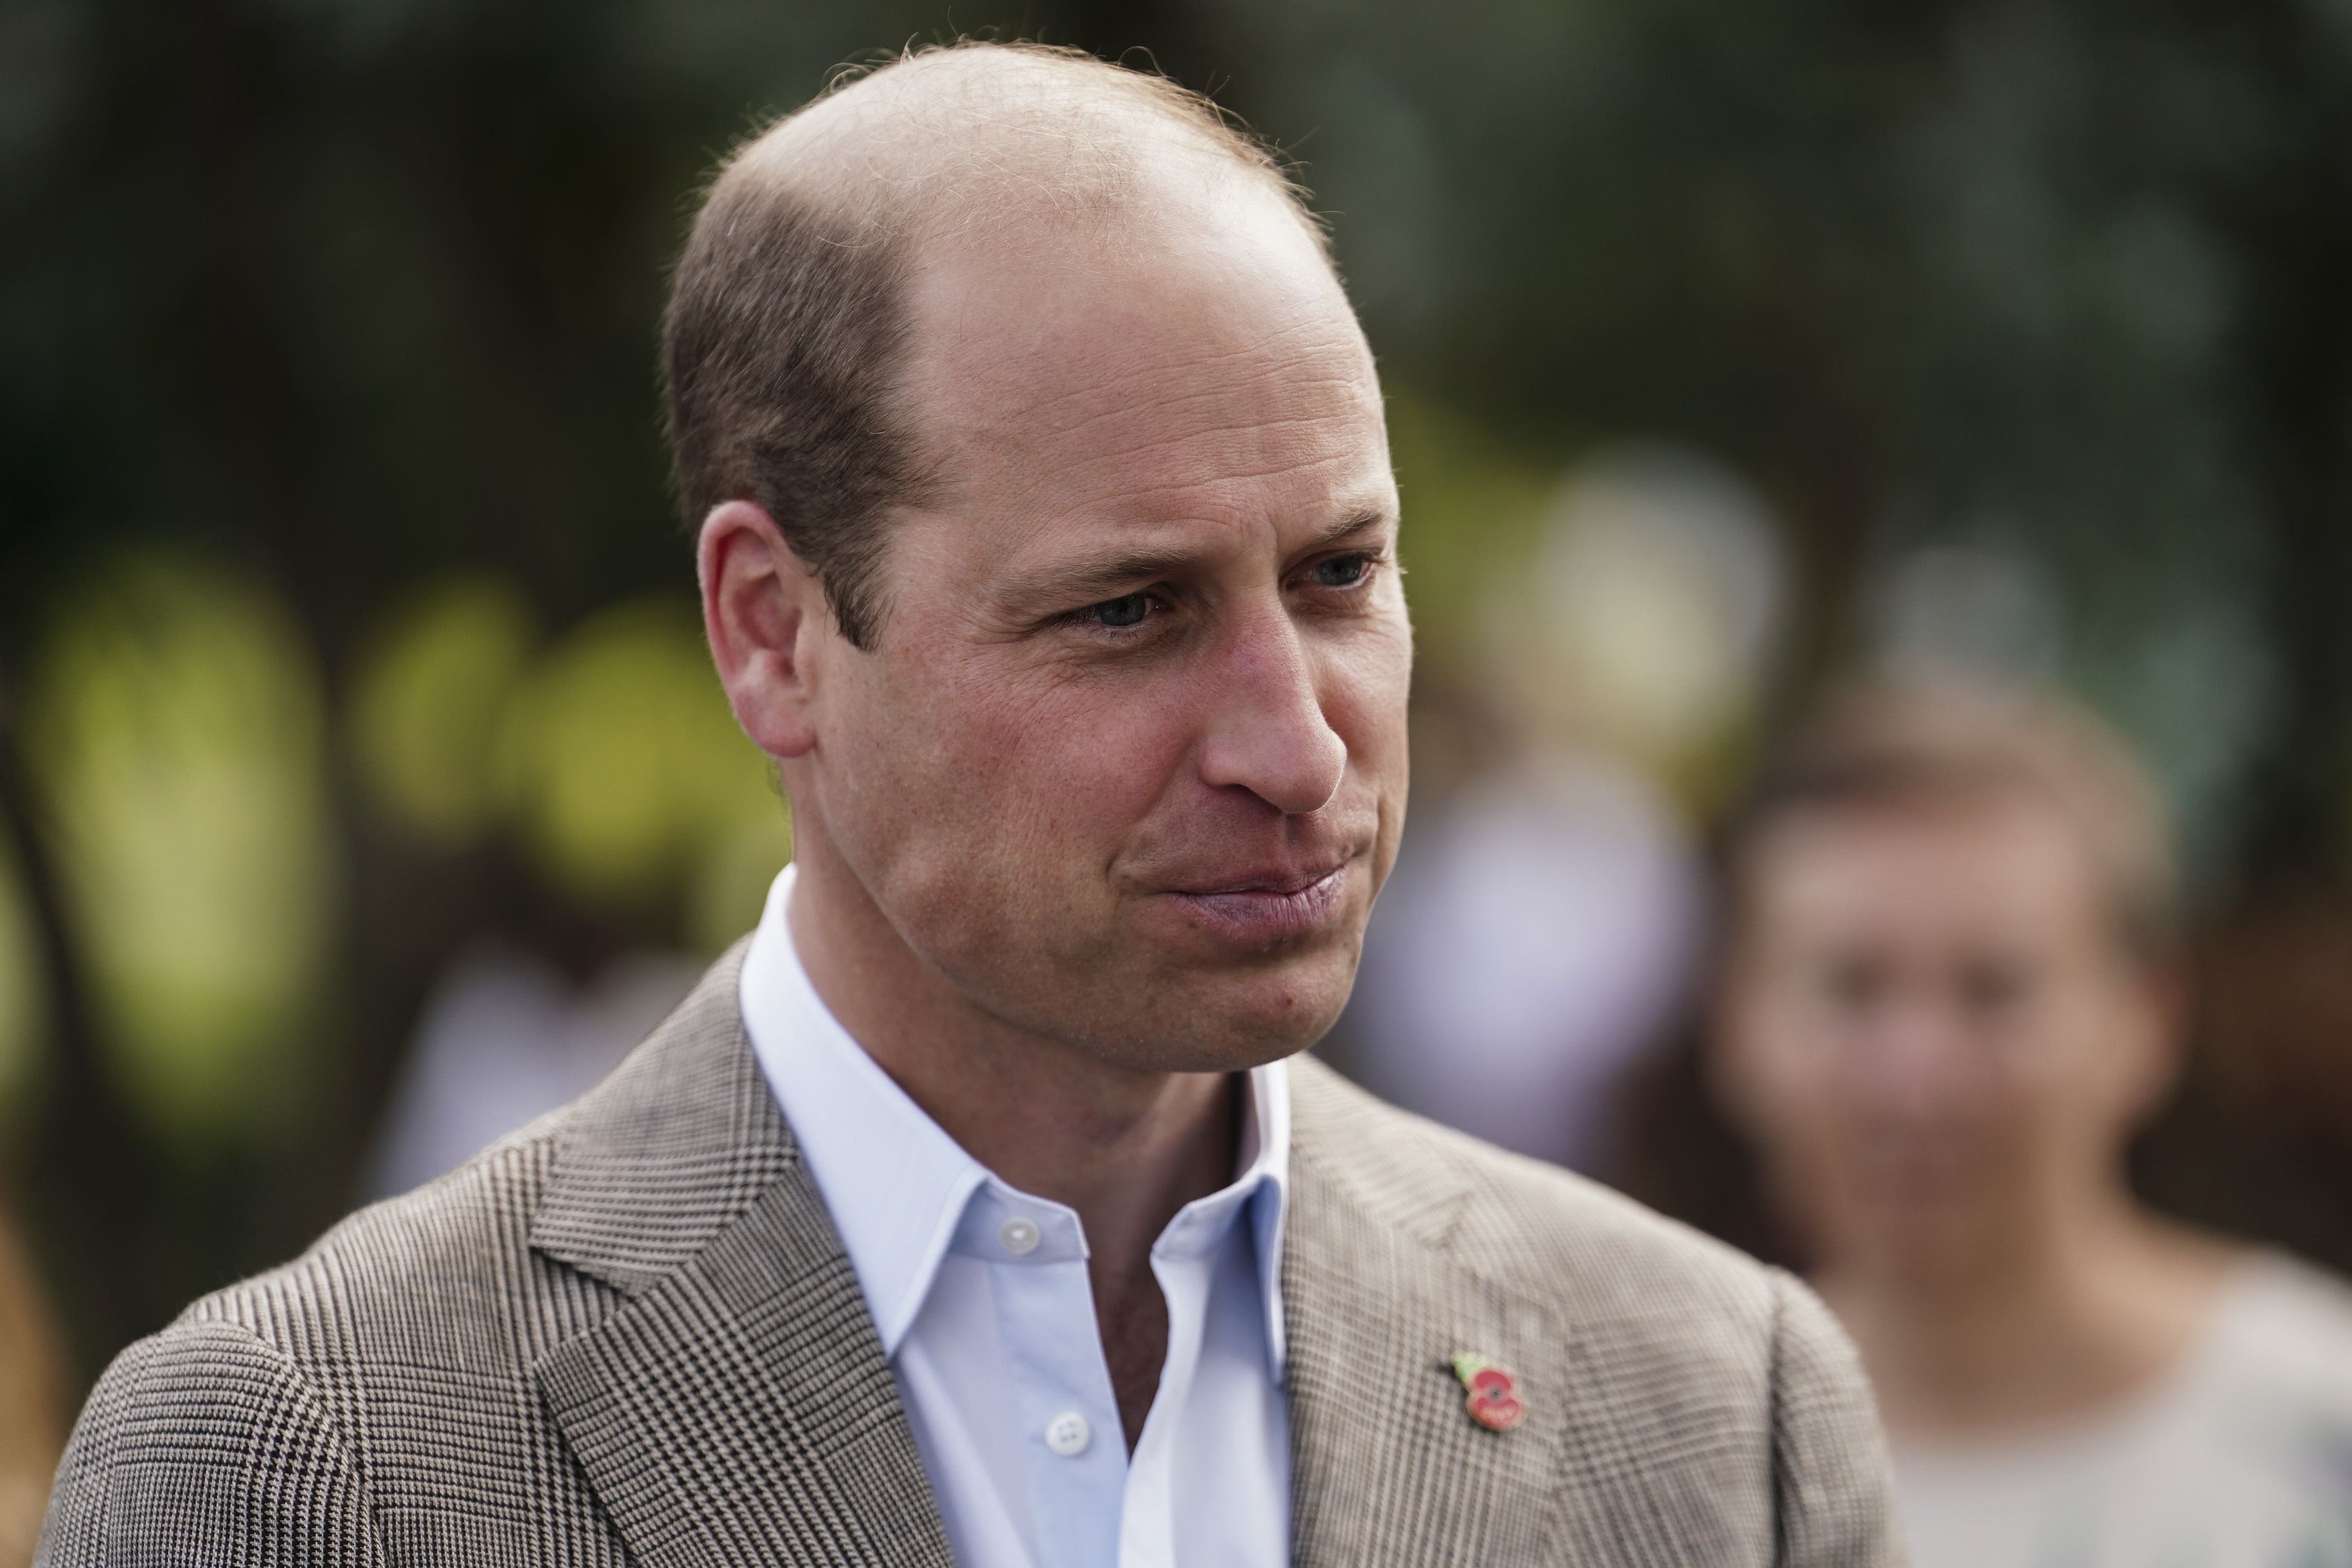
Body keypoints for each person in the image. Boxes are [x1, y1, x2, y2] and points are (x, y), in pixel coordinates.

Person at [41, 43, 1901, 1567]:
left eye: (1338, 576)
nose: (1299, 744)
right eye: (1127, 610)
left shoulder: (1712, 1414)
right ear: (774, 633)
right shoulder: (307, 1470)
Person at [1711, 674, 2352, 1568]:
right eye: (1851, 988)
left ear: (2147, 1023)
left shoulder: (2321, 1427)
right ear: (1738, 1027)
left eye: (1995, 990)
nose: (1916, 1077)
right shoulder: (1653, 1464)